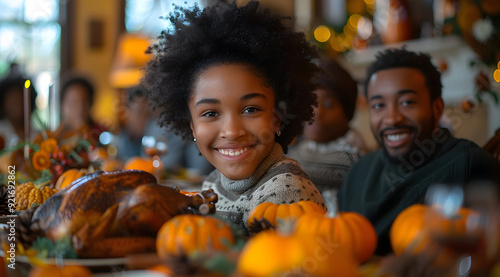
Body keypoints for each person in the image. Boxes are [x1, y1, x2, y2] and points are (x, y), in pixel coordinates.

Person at [142, 1, 326, 232]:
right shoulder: (214, 182)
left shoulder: (283, 190)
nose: (231, 130)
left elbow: (253, 264)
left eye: (250, 109)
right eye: (210, 113)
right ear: (193, 127)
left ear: (277, 118)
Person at [338, 48, 500, 255]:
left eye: (407, 102)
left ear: (437, 108)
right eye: (378, 105)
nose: (392, 118)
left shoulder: (469, 164)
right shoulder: (358, 173)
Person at [287, 58, 367, 193]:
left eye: (329, 104)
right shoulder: (299, 145)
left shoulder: (352, 158)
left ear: (347, 112)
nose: (317, 112)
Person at [114, 86, 214, 175]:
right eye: (139, 113)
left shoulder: (160, 127)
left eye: (146, 112)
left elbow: (196, 170)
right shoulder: (125, 136)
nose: (144, 118)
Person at [59, 76, 106, 143]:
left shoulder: (101, 134)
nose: (80, 108)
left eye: (85, 102)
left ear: (91, 103)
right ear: (63, 105)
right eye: (74, 103)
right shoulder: (57, 138)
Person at [0, 63, 37, 147]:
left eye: (20, 100)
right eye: (12, 101)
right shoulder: (2, 132)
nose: (17, 105)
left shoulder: (37, 135)